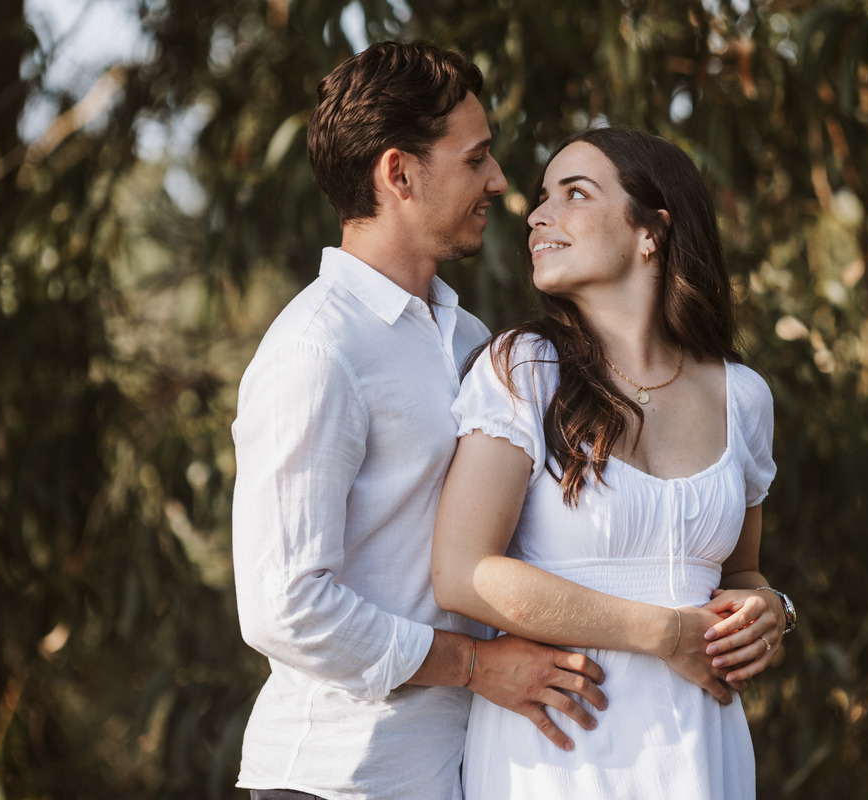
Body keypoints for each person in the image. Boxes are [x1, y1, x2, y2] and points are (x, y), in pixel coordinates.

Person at [230, 41, 607, 800]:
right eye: (476, 160)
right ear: (398, 173)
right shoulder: (318, 348)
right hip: (336, 779)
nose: (501, 182)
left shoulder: (472, 343)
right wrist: (474, 665)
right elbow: (284, 605)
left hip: (455, 771)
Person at [431, 126, 796, 799]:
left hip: (700, 749)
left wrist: (768, 608)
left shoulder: (742, 397)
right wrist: (664, 633)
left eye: (574, 194)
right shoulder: (523, 370)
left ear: (651, 231)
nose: (538, 215)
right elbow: (462, 574)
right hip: (560, 749)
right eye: (542, 198)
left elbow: (739, 573)